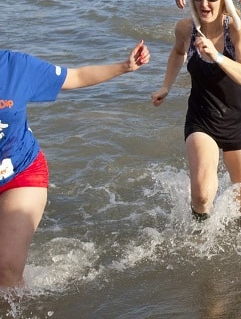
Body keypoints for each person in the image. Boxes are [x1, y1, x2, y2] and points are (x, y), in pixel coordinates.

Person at [0, 41, 150, 288]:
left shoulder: (15, 67)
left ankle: (15, 318)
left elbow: (75, 76)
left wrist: (126, 66)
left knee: (5, 267)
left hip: (21, 173)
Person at [151, 0, 241, 223]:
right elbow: (177, 53)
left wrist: (217, 56)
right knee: (201, 194)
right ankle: (198, 240)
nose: (204, 4)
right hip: (202, 117)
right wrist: (166, 86)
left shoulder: (237, 29)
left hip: (236, 120)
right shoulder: (186, 29)